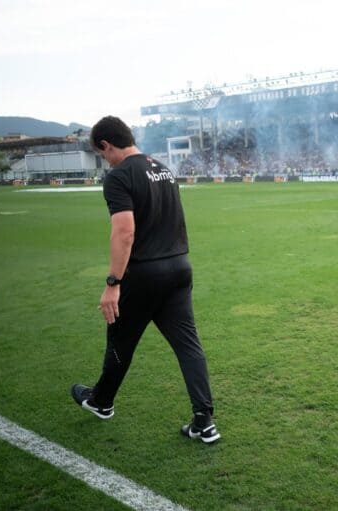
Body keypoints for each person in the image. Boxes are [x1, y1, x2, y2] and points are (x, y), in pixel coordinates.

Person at [71, 115, 219, 444]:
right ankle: (204, 421)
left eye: (101, 153)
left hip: (144, 274)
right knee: (188, 346)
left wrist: (113, 283)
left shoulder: (119, 176)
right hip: (179, 267)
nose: (104, 160)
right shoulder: (163, 168)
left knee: (120, 341)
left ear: (106, 145)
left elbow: (124, 232)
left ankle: (101, 401)